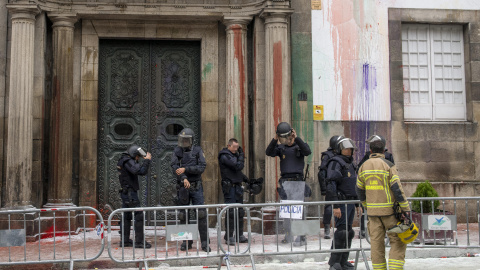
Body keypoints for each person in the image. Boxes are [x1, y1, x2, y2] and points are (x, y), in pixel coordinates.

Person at [356, 140, 410, 270]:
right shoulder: (388, 165)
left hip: (373, 214)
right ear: (384, 151)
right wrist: (405, 208)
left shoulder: (363, 166)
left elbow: (359, 189)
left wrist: (366, 205)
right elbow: (397, 188)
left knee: (376, 245)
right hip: (390, 213)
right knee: (397, 242)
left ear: (370, 151)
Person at [265, 122, 311, 246]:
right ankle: (288, 235)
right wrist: (275, 139)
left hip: (297, 181)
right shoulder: (281, 148)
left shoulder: (299, 146)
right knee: (286, 212)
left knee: (299, 211)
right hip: (285, 182)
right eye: (284, 137)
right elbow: (268, 152)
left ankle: (301, 238)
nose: (287, 139)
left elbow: (307, 151)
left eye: (289, 137)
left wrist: (297, 138)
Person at [170, 128, 210, 252]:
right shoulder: (177, 151)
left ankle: (204, 242)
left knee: (201, 214)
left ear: (191, 140)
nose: (184, 142)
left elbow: (201, 167)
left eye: (186, 140)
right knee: (183, 215)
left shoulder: (197, 150)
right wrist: (183, 177)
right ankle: (186, 241)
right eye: (183, 140)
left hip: (196, 186)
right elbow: (174, 166)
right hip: (183, 186)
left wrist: (186, 169)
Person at [325, 138, 362, 270]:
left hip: (351, 202)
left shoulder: (351, 164)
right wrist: (335, 205)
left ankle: (343, 261)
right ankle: (334, 263)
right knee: (341, 232)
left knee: (348, 232)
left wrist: (358, 204)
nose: (348, 151)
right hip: (341, 202)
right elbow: (331, 185)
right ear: (339, 149)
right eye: (346, 148)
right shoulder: (335, 163)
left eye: (350, 149)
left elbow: (354, 184)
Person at [356, 135, 395, 238]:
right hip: (370, 188)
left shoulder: (388, 156)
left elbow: (393, 172)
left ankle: (386, 232)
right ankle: (363, 230)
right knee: (366, 212)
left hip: (383, 190)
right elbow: (359, 169)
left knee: (386, 214)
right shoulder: (368, 156)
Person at [117, 145, 152, 248]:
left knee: (126, 216)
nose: (138, 159)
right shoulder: (127, 161)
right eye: (137, 157)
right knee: (139, 216)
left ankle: (125, 241)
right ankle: (139, 242)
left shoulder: (123, 160)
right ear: (133, 155)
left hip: (126, 192)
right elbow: (140, 171)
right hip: (130, 193)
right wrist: (147, 161)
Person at [218, 138, 248, 245]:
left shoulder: (234, 156)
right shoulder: (224, 156)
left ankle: (239, 235)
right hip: (229, 188)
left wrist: (247, 180)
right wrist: (241, 155)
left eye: (237, 147)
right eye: (234, 147)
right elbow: (237, 166)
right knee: (231, 212)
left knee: (240, 212)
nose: (236, 149)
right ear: (229, 146)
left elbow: (237, 173)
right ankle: (229, 236)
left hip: (237, 187)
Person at [318, 135, 344, 239]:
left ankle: (340, 227)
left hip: (340, 184)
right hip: (330, 184)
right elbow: (322, 173)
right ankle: (327, 228)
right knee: (329, 207)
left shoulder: (341, 155)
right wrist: (324, 188)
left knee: (342, 206)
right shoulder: (328, 156)